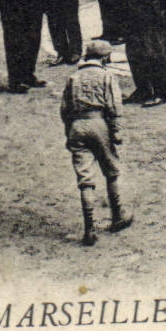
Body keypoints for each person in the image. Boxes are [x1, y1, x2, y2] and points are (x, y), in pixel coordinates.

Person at [60, 39, 132, 247]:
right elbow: (114, 107)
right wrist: (116, 133)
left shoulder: (73, 77)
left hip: (77, 126)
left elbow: (65, 110)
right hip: (98, 124)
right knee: (111, 171)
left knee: (85, 179)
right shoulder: (107, 76)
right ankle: (117, 216)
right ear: (105, 57)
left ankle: (89, 228)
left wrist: (69, 133)